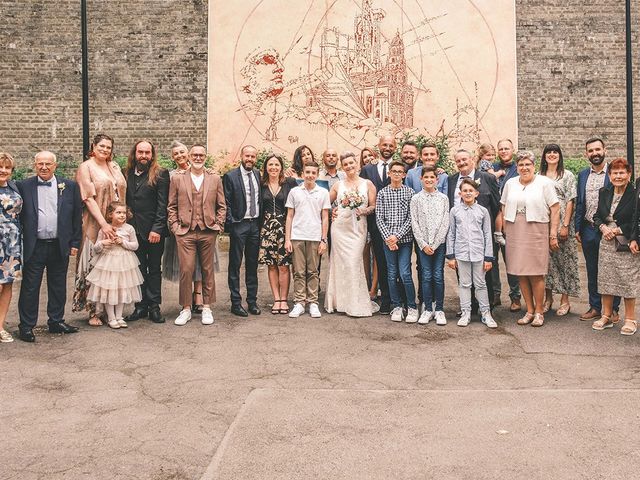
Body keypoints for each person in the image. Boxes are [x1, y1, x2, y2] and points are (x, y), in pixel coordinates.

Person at [17, 151, 82, 343]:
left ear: (55, 165)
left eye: (48, 164)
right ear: (35, 165)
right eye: (40, 164)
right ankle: (27, 326)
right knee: (30, 287)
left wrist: (75, 243)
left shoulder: (69, 186)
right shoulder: (24, 186)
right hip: (34, 245)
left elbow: (76, 217)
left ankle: (56, 321)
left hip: (59, 244)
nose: (44, 167)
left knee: (58, 285)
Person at [499, 151, 560, 327]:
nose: (524, 168)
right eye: (521, 165)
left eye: (528, 164)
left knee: (535, 272)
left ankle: (539, 312)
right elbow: (503, 206)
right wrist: (504, 228)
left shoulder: (544, 183)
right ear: (517, 167)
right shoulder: (510, 183)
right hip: (515, 229)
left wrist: (553, 233)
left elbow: (555, 208)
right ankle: (529, 310)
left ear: (534, 166)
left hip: (536, 229)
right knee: (521, 272)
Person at [168, 144, 226, 326]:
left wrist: (218, 224)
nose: (198, 158)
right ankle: (185, 308)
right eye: (195, 155)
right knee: (186, 270)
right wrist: (175, 227)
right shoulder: (178, 179)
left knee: (208, 270)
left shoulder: (215, 178)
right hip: (185, 231)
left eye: (201, 155)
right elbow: (171, 206)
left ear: (205, 157)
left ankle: (207, 307)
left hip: (208, 230)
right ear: (189, 157)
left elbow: (222, 205)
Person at [73, 133, 127, 326]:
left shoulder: (114, 166)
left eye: (108, 147)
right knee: (93, 265)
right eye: (102, 146)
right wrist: (103, 224)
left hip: (115, 223)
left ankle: (108, 309)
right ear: (93, 147)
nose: (105, 150)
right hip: (95, 223)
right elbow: (88, 198)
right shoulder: (85, 167)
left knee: (110, 267)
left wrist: (119, 222)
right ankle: (93, 310)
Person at [446, 149, 500, 314]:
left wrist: (496, 230)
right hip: (460, 231)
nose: (462, 163)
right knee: (462, 272)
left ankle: (487, 306)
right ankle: (468, 307)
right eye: (458, 161)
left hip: (481, 231)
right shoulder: (451, 179)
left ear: (472, 159)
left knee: (485, 270)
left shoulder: (487, 178)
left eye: (464, 159)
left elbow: (496, 205)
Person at [325, 152, 377, 317]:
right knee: (340, 264)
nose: (349, 166)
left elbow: (373, 205)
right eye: (345, 164)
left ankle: (355, 301)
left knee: (353, 262)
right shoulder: (338, 185)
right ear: (343, 167)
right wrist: (331, 211)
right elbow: (324, 202)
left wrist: (365, 209)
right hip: (339, 228)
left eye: (351, 163)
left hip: (358, 229)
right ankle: (340, 302)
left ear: (357, 164)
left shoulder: (367, 184)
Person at [575, 137, 620, 321]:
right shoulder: (583, 175)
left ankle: (614, 309)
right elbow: (580, 202)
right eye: (591, 151)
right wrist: (577, 227)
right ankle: (595, 307)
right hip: (588, 229)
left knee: (610, 270)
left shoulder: (614, 173)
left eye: (597, 150)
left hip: (609, 229)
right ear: (586, 154)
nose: (594, 153)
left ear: (604, 150)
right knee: (592, 269)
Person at [124, 140, 170, 324]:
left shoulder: (160, 174)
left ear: (152, 155)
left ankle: (154, 306)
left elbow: (163, 204)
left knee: (154, 269)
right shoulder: (125, 173)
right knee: (138, 268)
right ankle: (140, 306)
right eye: (140, 152)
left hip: (153, 232)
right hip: (132, 231)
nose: (143, 156)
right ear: (135, 153)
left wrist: (157, 228)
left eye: (147, 152)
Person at [591, 158, 638, 335]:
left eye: (622, 172)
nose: (618, 176)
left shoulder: (634, 194)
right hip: (606, 242)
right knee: (606, 280)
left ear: (629, 174)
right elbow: (596, 216)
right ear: (609, 175)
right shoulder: (605, 192)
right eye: (615, 172)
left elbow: (636, 219)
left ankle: (631, 319)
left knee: (627, 280)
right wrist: (603, 228)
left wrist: (617, 230)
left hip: (626, 242)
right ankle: (607, 316)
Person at [86, 202, 143, 329]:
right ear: (111, 215)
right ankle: (111, 317)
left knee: (122, 289)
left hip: (124, 264)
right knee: (109, 290)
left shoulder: (129, 229)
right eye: (118, 212)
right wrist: (103, 243)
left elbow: (135, 245)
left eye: (124, 213)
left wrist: (123, 242)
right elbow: (96, 248)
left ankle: (119, 316)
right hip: (108, 264)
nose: (122, 215)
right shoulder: (104, 229)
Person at [285, 161, 331, 318]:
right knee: (298, 271)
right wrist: (287, 239)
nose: (310, 175)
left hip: (314, 237)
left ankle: (312, 302)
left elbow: (325, 218)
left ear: (317, 175)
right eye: (308, 172)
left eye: (313, 172)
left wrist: (323, 240)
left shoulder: (323, 192)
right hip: (297, 236)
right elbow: (289, 216)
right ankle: (299, 302)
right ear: (303, 174)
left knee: (313, 271)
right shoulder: (295, 192)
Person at [539, 144, 579, 316]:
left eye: (555, 152)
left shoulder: (567, 175)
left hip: (563, 223)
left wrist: (565, 225)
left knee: (565, 262)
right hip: (544, 223)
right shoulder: (539, 176)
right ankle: (548, 299)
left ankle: (565, 300)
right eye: (549, 152)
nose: (552, 154)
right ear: (544, 156)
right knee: (546, 264)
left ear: (560, 155)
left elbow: (571, 200)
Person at [375, 160, 417, 322]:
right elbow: (379, 218)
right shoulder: (383, 193)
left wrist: (397, 236)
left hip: (404, 240)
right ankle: (397, 306)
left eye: (400, 172)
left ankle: (412, 306)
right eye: (394, 171)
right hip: (388, 241)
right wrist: (388, 238)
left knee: (405, 273)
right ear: (389, 173)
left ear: (404, 175)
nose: (397, 174)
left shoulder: (410, 193)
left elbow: (410, 218)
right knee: (391, 274)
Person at [223, 145, 262, 317]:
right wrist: (231, 223)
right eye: (247, 156)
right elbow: (226, 202)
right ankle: (236, 302)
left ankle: (252, 301)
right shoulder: (231, 176)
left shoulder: (258, 174)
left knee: (252, 265)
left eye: (253, 156)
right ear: (241, 156)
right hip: (239, 224)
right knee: (235, 265)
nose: (250, 159)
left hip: (255, 225)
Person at [410, 166, 450, 325]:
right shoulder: (416, 199)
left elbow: (445, 222)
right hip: (423, 245)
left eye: (432, 177)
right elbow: (415, 222)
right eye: (425, 177)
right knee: (426, 276)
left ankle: (439, 309)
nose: (428, 180)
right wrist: (423, 244)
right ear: (421, 179)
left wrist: (436, 242)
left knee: (438, 276)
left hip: (438, 244)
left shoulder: (443, 199)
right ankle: (427, 309)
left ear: (436, 180)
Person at [258, 154, 298, 314]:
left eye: (276, 164)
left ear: (281, 167)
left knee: (283, 266)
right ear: (266, 167)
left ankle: (284, 299)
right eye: (270, 164)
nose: (273, 167)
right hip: (267, 229)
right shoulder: (261, 183)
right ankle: (276, 299)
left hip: (285, 227)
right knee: (271, 265)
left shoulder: (290, 183)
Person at [360, 135, 395, 314]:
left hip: (395, 223)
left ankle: (397, 299)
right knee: (380, 260)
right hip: (374, 222)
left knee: (396, 263)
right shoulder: (368, 169)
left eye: (390, 145)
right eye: (384, 145)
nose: (387, 147)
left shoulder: (398, 167)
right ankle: (386, 300)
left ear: (395, 148)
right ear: (379, 146)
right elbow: (359, 191)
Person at [491, 138, 521, 310]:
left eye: (506, 148)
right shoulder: (491, 168)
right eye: (500, 148)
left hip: (511, 220)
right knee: (492, 260)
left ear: (512, 149)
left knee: (511, 260)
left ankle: (515, 296)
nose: (503, 151)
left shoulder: (519, 168)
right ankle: (495, 294)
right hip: (490, 219)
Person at [0, 153, 22, 343]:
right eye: (0, 167)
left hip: (12, 244)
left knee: (7, 284)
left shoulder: (14, 187)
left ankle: (1, 325)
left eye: (7, 167)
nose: (3, 170)